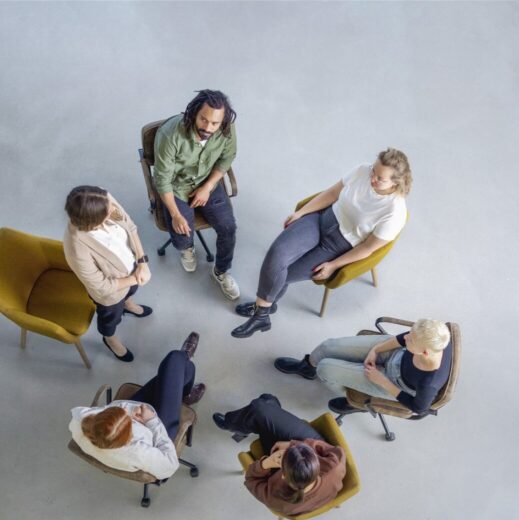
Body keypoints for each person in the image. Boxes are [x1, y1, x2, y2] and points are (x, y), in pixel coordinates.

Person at [231, 147, 412, 338]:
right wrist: (301, 213)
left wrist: (334, 265)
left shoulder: (394, 212)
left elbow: (368, 248)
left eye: (380, 178)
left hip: (339, 245)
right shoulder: (362, 171)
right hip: (322, 219)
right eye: (373, 171)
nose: (372, 178)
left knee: (282, 272)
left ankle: (263, 308)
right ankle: (264, 311)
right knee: (277, 255)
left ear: (396, 182)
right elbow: (333, 193)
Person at [68, 333, 206, 479]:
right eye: (129, 422)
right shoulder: (137, 453)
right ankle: (185, 388)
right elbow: (169, 467)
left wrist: (129, 411)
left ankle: (182, 374)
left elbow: (91, 414)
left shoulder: (81, 421)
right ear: (128, 438)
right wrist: (151, 421)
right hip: (157, 432)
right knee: (174, 361)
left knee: (172, 371)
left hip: (137, 415)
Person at [153, 89, 240, 300]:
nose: (208, 127)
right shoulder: (170, 134)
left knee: (229, 228)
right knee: (182, 233)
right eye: (203, 119)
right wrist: (175, 214)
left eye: (215, 123)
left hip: (208, 182)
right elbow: (162, 179)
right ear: (194, 113)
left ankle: (221, 271)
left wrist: (208, 186)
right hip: (177, 187)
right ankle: (187, 248)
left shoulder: (227, 128)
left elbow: (226, 160)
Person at [274, 318, 452, 417]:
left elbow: (418, 408)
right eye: (410, 333)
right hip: (396, 354)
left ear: (425, 353)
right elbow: (404, 338)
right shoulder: (429, 336)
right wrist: (376, 349)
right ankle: (307, 367)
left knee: (325, 368)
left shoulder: (429, 384)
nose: (407, 337)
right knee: (328, 346)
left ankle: (354, 400)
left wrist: (382, 381)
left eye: (411, 340)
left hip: (394, 381)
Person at [212, 394, 347, 516]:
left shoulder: (277, 499)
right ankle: (265, 409)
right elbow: (334, 450)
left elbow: (251, 481)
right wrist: (293, 444)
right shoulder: (334, 466)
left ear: (283, 475)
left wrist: (265, 464)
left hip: (275, 471)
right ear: (314, 462)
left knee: (260, 406)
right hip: (309, 453)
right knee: (265, 406)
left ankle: (236, 423)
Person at [63, 186, 152, 362]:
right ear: (94, 222)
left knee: (132, 290)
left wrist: (142, 262)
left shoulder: (103, 199)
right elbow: (102, 286)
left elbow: (129, 225)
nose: (114, 208)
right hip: (111, 293)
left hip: (133, 269)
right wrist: (136, 277)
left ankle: (128, 303)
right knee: (110, 317)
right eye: (109, 209)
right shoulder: (77, 247)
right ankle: (109, 338)